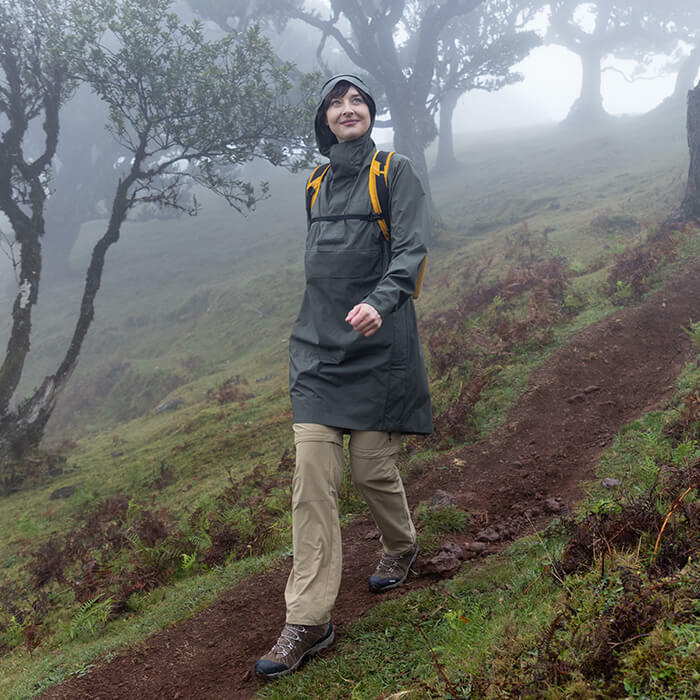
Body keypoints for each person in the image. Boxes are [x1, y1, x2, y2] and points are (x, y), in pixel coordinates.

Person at [255, 74, 432, 680]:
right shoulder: (314, 183)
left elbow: (411, 249)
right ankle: (307, 620)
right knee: (312, 480)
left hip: (378, 346)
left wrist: (381, 300)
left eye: (357, 100)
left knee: (370, 470)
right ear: (324, 120)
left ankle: (402, 545)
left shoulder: (394, 171)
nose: (346, 108)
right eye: (336, 102)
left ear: (370, 114)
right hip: (317, 352)